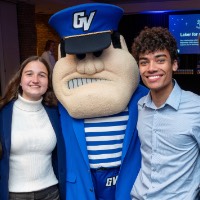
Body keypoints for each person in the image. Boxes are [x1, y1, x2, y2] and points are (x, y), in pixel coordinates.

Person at [48, 3, 148, 200]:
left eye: (99, 52)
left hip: (128, 184)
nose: (90, 67)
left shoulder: (144, 99)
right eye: (79, 56)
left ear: (121, 45)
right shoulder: (56, 105)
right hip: (82, 187)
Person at [130, 27, 200, 199]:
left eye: (160, 60)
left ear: (174, 64)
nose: (151, 68)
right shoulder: (140, 106)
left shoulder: (196, 107)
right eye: (144, 62)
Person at [0, 56, 65, 200]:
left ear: (48, 82)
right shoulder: (3, 113)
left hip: (51, 193)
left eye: (42, 75)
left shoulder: (56, 113)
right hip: (14, 195)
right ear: (20, 80)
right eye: (29, 74)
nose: (35, 80)